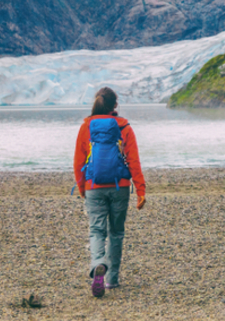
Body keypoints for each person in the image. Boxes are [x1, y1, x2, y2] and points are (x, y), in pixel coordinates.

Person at [73, 87, 146, 298]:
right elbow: (133, 160)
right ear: (115, 105)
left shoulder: (86, 126)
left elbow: (79, 161)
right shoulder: (124, 127)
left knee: (96, 231)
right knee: (116, 232)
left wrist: (82, 188)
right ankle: (111, 279)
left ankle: (98, 263)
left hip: (93, 186)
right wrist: (140, 190)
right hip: (120, 186)